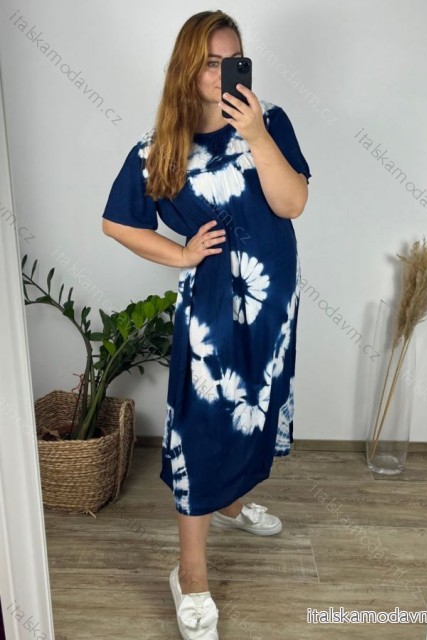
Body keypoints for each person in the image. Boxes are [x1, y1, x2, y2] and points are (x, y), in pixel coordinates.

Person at [102, 9, 310, 639]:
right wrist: (181, 255)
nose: (224, 73)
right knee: (202, 428)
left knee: (254, 412)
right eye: (211, 62)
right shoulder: (158, 149)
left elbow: (292, 202)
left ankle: (231, 504)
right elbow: (117, 222)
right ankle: (190, 578)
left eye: (234, 60)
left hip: (273, 305)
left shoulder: (270, 121)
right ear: (188, 68)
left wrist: (257, 134)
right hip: (213, 311)